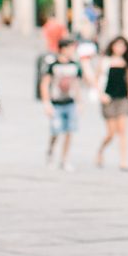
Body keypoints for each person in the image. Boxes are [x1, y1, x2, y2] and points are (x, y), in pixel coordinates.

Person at [39, 35, 82, 171]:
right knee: (56, 131)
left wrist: (80, 102)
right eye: (70, 48)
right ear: (63, 49)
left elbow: (76, 84)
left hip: (70, 102)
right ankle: (51, 152)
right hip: (56, 102)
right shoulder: (53, 65)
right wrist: (46, 103)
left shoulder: (74, 65)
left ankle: (65, 159)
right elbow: (45, 84)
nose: (72, 51)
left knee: (69, 131)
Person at [95, 35, 128, 170]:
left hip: (122, 98)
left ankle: (123, 160)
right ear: (112, 46)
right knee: (111, 133)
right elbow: (97, 79)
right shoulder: (105, 61)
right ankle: (100, 150)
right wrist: (100, 95)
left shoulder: (125, 62)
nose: (120, 48)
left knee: (123, 131)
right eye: (118, 45)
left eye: (123, 46)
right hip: (109, 98)